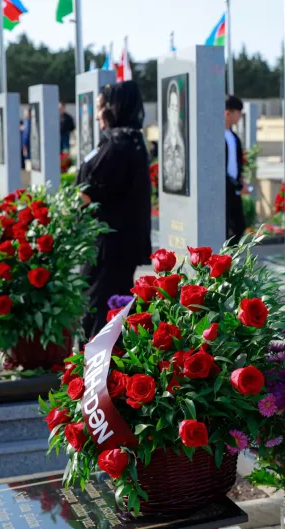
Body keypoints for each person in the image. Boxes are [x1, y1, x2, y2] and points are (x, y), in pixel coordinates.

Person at [75, 81, 152, 339]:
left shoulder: (119, 146)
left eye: (99, 107)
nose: (96, 115)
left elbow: (88, 192)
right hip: (116, 246)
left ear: (114, 108)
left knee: (101, 309)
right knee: (108, 306)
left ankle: (99, 371)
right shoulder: (127, 140)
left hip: (110, 247)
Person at [225, 95, 246, 244]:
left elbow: (237, 163)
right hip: (223, 189)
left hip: (234, 189)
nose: (239, 117)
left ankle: (230, 261)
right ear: (228, 113)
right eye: (239, 113)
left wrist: (240, 181)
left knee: (239, 226)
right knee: (226, 227)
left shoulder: (234, 137)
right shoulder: (215, 136)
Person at [162, 82, 187, 194]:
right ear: (168, 109)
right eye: (172, 107)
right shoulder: (165, 133)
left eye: (176, 107)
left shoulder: (182, 135)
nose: (174, 111)